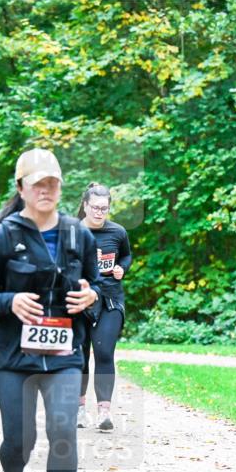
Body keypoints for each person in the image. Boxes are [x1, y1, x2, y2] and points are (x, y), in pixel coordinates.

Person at [0, 148, 102, 472]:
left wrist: (91, 296)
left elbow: (97, 285)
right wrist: (9, 301)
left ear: (61, 188)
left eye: (53, 183)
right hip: (13, 358)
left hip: (65, 354)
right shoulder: (1, 238)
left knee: (63, 431)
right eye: (38, 184)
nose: (46, 190)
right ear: (21, 188)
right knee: (19, 442)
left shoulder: (78, 234)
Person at [76, 183, 132, 431]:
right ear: (85, 206)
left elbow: (126, 256)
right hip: (79, 301)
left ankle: (104, 413)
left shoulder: (118, 232)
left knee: (104, 352)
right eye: (95, 207)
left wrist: (122, 268)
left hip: (110, 299)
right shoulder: (73, 232)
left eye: (104, 208)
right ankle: (78, 410)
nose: (99, 212)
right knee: (79, 356)